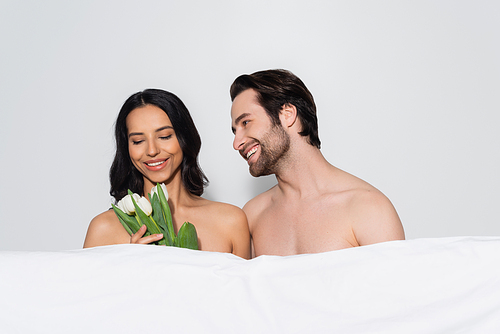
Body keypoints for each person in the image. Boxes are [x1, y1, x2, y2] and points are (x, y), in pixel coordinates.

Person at [230, 69, 405, 257]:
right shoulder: (253, 215)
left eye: (246, 122)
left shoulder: (368, 209)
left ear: (287, 114)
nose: (236, 143)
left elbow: (394, 286)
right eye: (235, 130)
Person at [84, 89, 251, 259]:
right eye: (138, 141)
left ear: (184, 138)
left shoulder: (230, 222)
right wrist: (130, 265)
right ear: (127, 149)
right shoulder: (103, 229)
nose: (152, 150)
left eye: (164, 136)